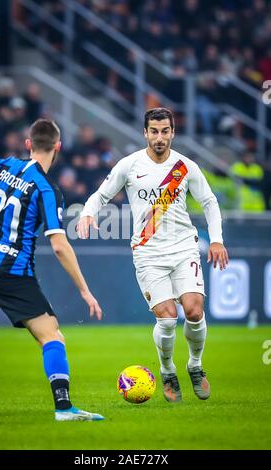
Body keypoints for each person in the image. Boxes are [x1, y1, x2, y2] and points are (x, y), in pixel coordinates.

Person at [77, 107, 229, 402]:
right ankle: (167, 369)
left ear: (172, 132)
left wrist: (217, 240)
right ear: (145, 133)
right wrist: (86, 213)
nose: (160, 137)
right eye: (154, 131)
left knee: (194, 311)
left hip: (184, 246)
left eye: (165, 131)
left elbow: (209, 202)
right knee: (168, 319)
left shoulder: (185, 167)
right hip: (148, 252)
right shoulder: (129, 165)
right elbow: (101, 194)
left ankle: (195, 365)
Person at [0, 119, 104, 422]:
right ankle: (64, 408)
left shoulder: (3, 166)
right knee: (51, 336)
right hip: (13, 273)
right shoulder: (46, 189)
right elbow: (59, 245)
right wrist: (84, 290)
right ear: (58, 147)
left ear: (28, 144)